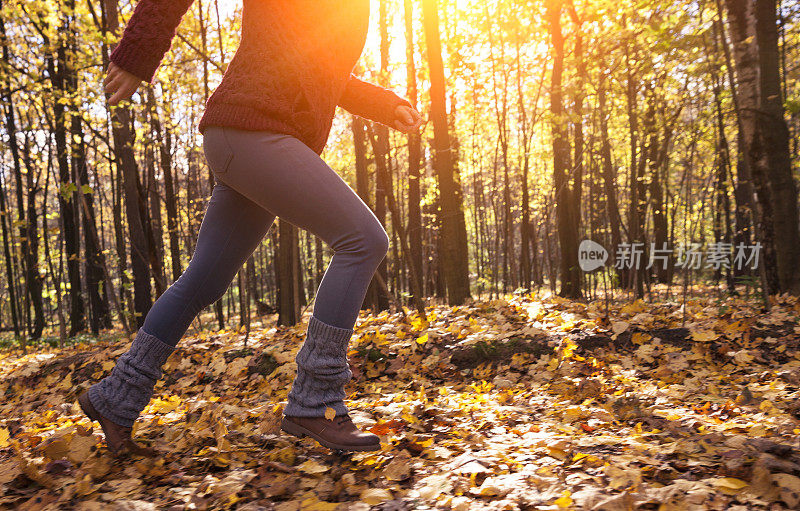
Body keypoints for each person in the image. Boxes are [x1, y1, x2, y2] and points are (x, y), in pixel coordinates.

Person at [76, 0, 424, 456]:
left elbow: (323, 73)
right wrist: (138, 54)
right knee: (363, 240)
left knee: (202, 281)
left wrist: (386, 103)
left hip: (250, 134)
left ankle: (116, 397)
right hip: (252, 129)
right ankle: (316, 402)